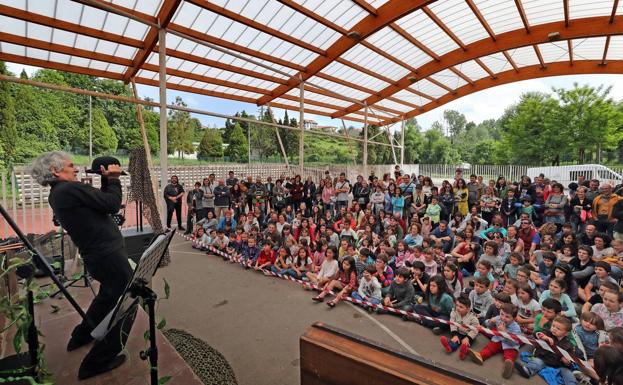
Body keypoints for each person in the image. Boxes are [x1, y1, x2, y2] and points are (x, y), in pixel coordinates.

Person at [30, 152, 135, 379]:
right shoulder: (68, 189)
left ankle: (81, 335)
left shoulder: (59, 193)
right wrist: (114, 178)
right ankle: (98, 361)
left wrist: (106, 181)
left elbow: (98, 203)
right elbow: (112, 204)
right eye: (70, 166)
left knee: (107, 297)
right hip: (107, 256)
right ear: (55, 171)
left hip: (98, 255)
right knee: (128, 301)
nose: (76, 169)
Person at [514, 316, 576, 385]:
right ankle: (528, 371)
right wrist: (544, 337)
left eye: (558, 328)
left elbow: (571, 358)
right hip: (544, 358)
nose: (554, 329)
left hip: (558, 364)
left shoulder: (569, 344)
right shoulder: (547, 332)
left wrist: (567, 362)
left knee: (568, 373)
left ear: (566, 333)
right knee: (537, 362)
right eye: (553, 326)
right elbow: (536, 333)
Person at [468, 303, 521, 379]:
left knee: (511, 352)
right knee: (490, 347)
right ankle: (480, 356)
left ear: (513, 318)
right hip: (498, 339)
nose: (503, 318)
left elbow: (514, 342)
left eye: (507, 317)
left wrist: (505, 333)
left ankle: (509, 365)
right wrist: (490, 322)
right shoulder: (498, 318)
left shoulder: (516, 327)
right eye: (502, 314)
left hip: (510, 344)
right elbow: (489, 326)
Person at [439, 295, 479, 360]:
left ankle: (463, 353)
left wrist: (468, 338)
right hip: (458, 332)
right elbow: (452, 324)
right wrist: (455, 335)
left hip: (468, 334)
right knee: (455, 341)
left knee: (465, 343)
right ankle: (449, 347)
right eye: (457, 305)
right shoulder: (454, 312)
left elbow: (475, 330)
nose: (458, 308)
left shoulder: (473, 318)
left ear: (468, 309)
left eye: (461, 307)